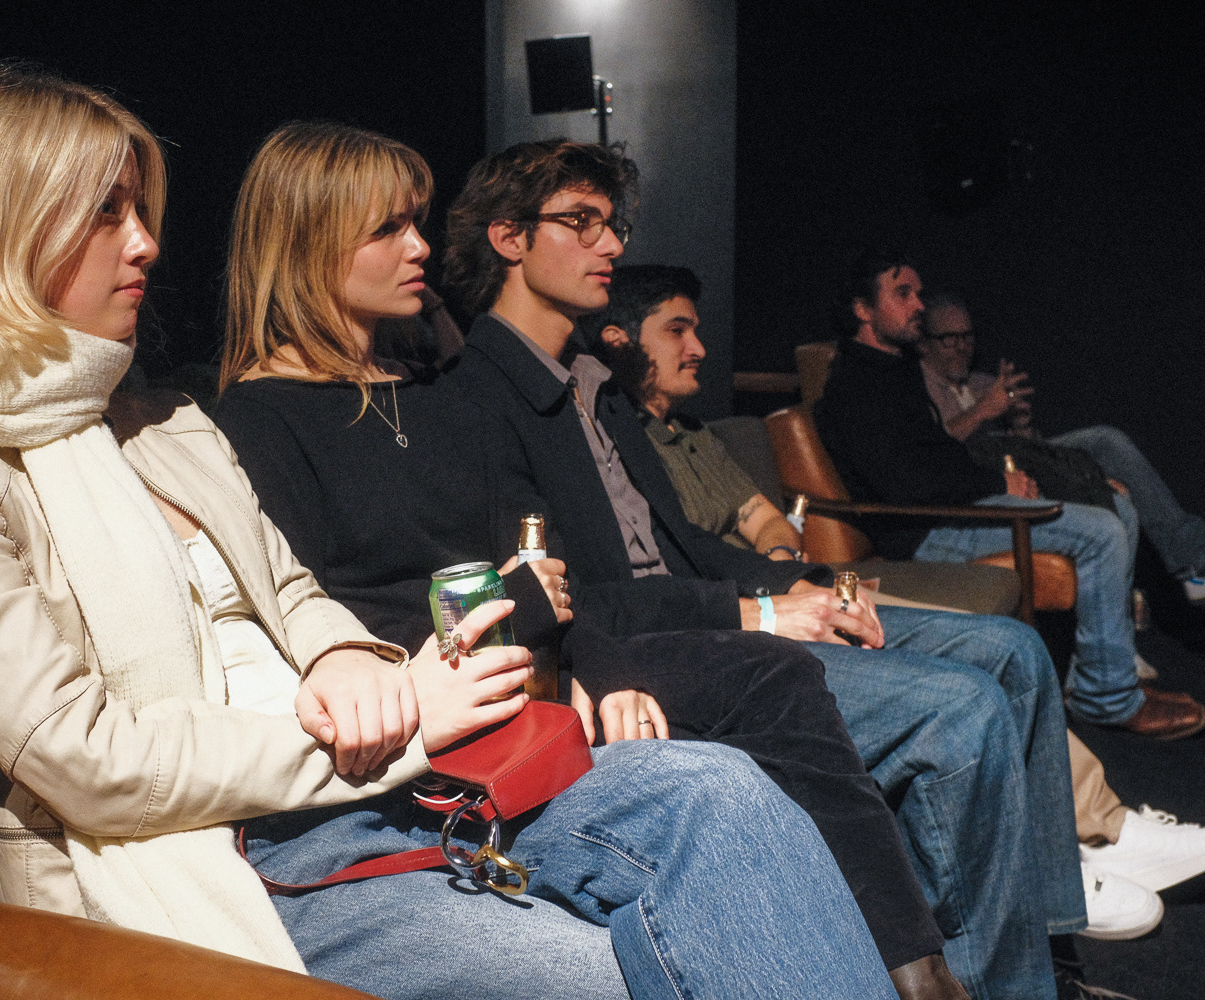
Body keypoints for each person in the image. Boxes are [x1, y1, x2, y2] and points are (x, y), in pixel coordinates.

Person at [0, 67, 897, 1000]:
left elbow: (294, 589)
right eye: (104, 213)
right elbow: (79, 755)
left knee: (721, 789)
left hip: (382, 781)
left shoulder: (155, 417)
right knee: (592, 975)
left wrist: (347, 656)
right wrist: (394, 721)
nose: (146, 240)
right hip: (215, 847)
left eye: (139, 207)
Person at [212, 121, 968, 1000]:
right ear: (309, 242)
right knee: (727, 774)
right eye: (389, 228)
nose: (419, 247)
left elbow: (539, 568)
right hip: (426, 747)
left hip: (530, 692)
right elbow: (335, 618)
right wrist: (528, 619)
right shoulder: (254, 422)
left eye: (416, 222)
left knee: (747, 751)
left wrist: (602, 671)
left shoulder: (440, 398)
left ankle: (912, 970)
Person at [440, 138, 1098, 1000]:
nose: (612, 243)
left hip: (703, 617)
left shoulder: (593, 381)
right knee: (961, 710)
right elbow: (569, 605)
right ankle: (992, 985)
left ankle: (1046, 953)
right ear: (508, 237)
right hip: (655, 650)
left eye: (613, 223)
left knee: (1012, 651)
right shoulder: (476, 396)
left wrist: (801, 583)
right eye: (583, 222)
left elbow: (682, 542)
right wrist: (754, 613)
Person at [586, 262, 1205, 931]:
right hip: (761, 597)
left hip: (776, 583)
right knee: (973, 677)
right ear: (619, 341)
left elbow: (764, 518)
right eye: (677, 331)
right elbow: (675, 562)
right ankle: (1079, 839)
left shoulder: (691, 431)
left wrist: (785, 568)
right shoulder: (618, 437)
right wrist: (771, 599)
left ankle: (1084, 839)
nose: (700, 347)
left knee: (1012, 646)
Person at [815, 250, 1205, 740]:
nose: (919, 304)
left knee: (1119, 510)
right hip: (919, 529)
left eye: (918, 293)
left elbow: (939, 459)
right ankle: (1107, 699)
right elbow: (906, 483)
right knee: (1102, 531)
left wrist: (1006, 479)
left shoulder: (894, 369)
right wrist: (998, 486)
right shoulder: (857, 384)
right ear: (863, 309)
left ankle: (1109, 676)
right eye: (903, 293)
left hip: (949, 509)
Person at [921, 291, 1205, 607]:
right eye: (949, 339)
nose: (962, 347)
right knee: (1108, 495)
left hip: (1016, 462)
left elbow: (1033, 451)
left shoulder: (984, 382)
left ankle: (1193, 559)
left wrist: (1021, 424)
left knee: (1105, 440)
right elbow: (932, 451)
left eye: (967, 337)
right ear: (925, 344)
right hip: (976, 477)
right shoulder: (919, 388)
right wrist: (981, 411)